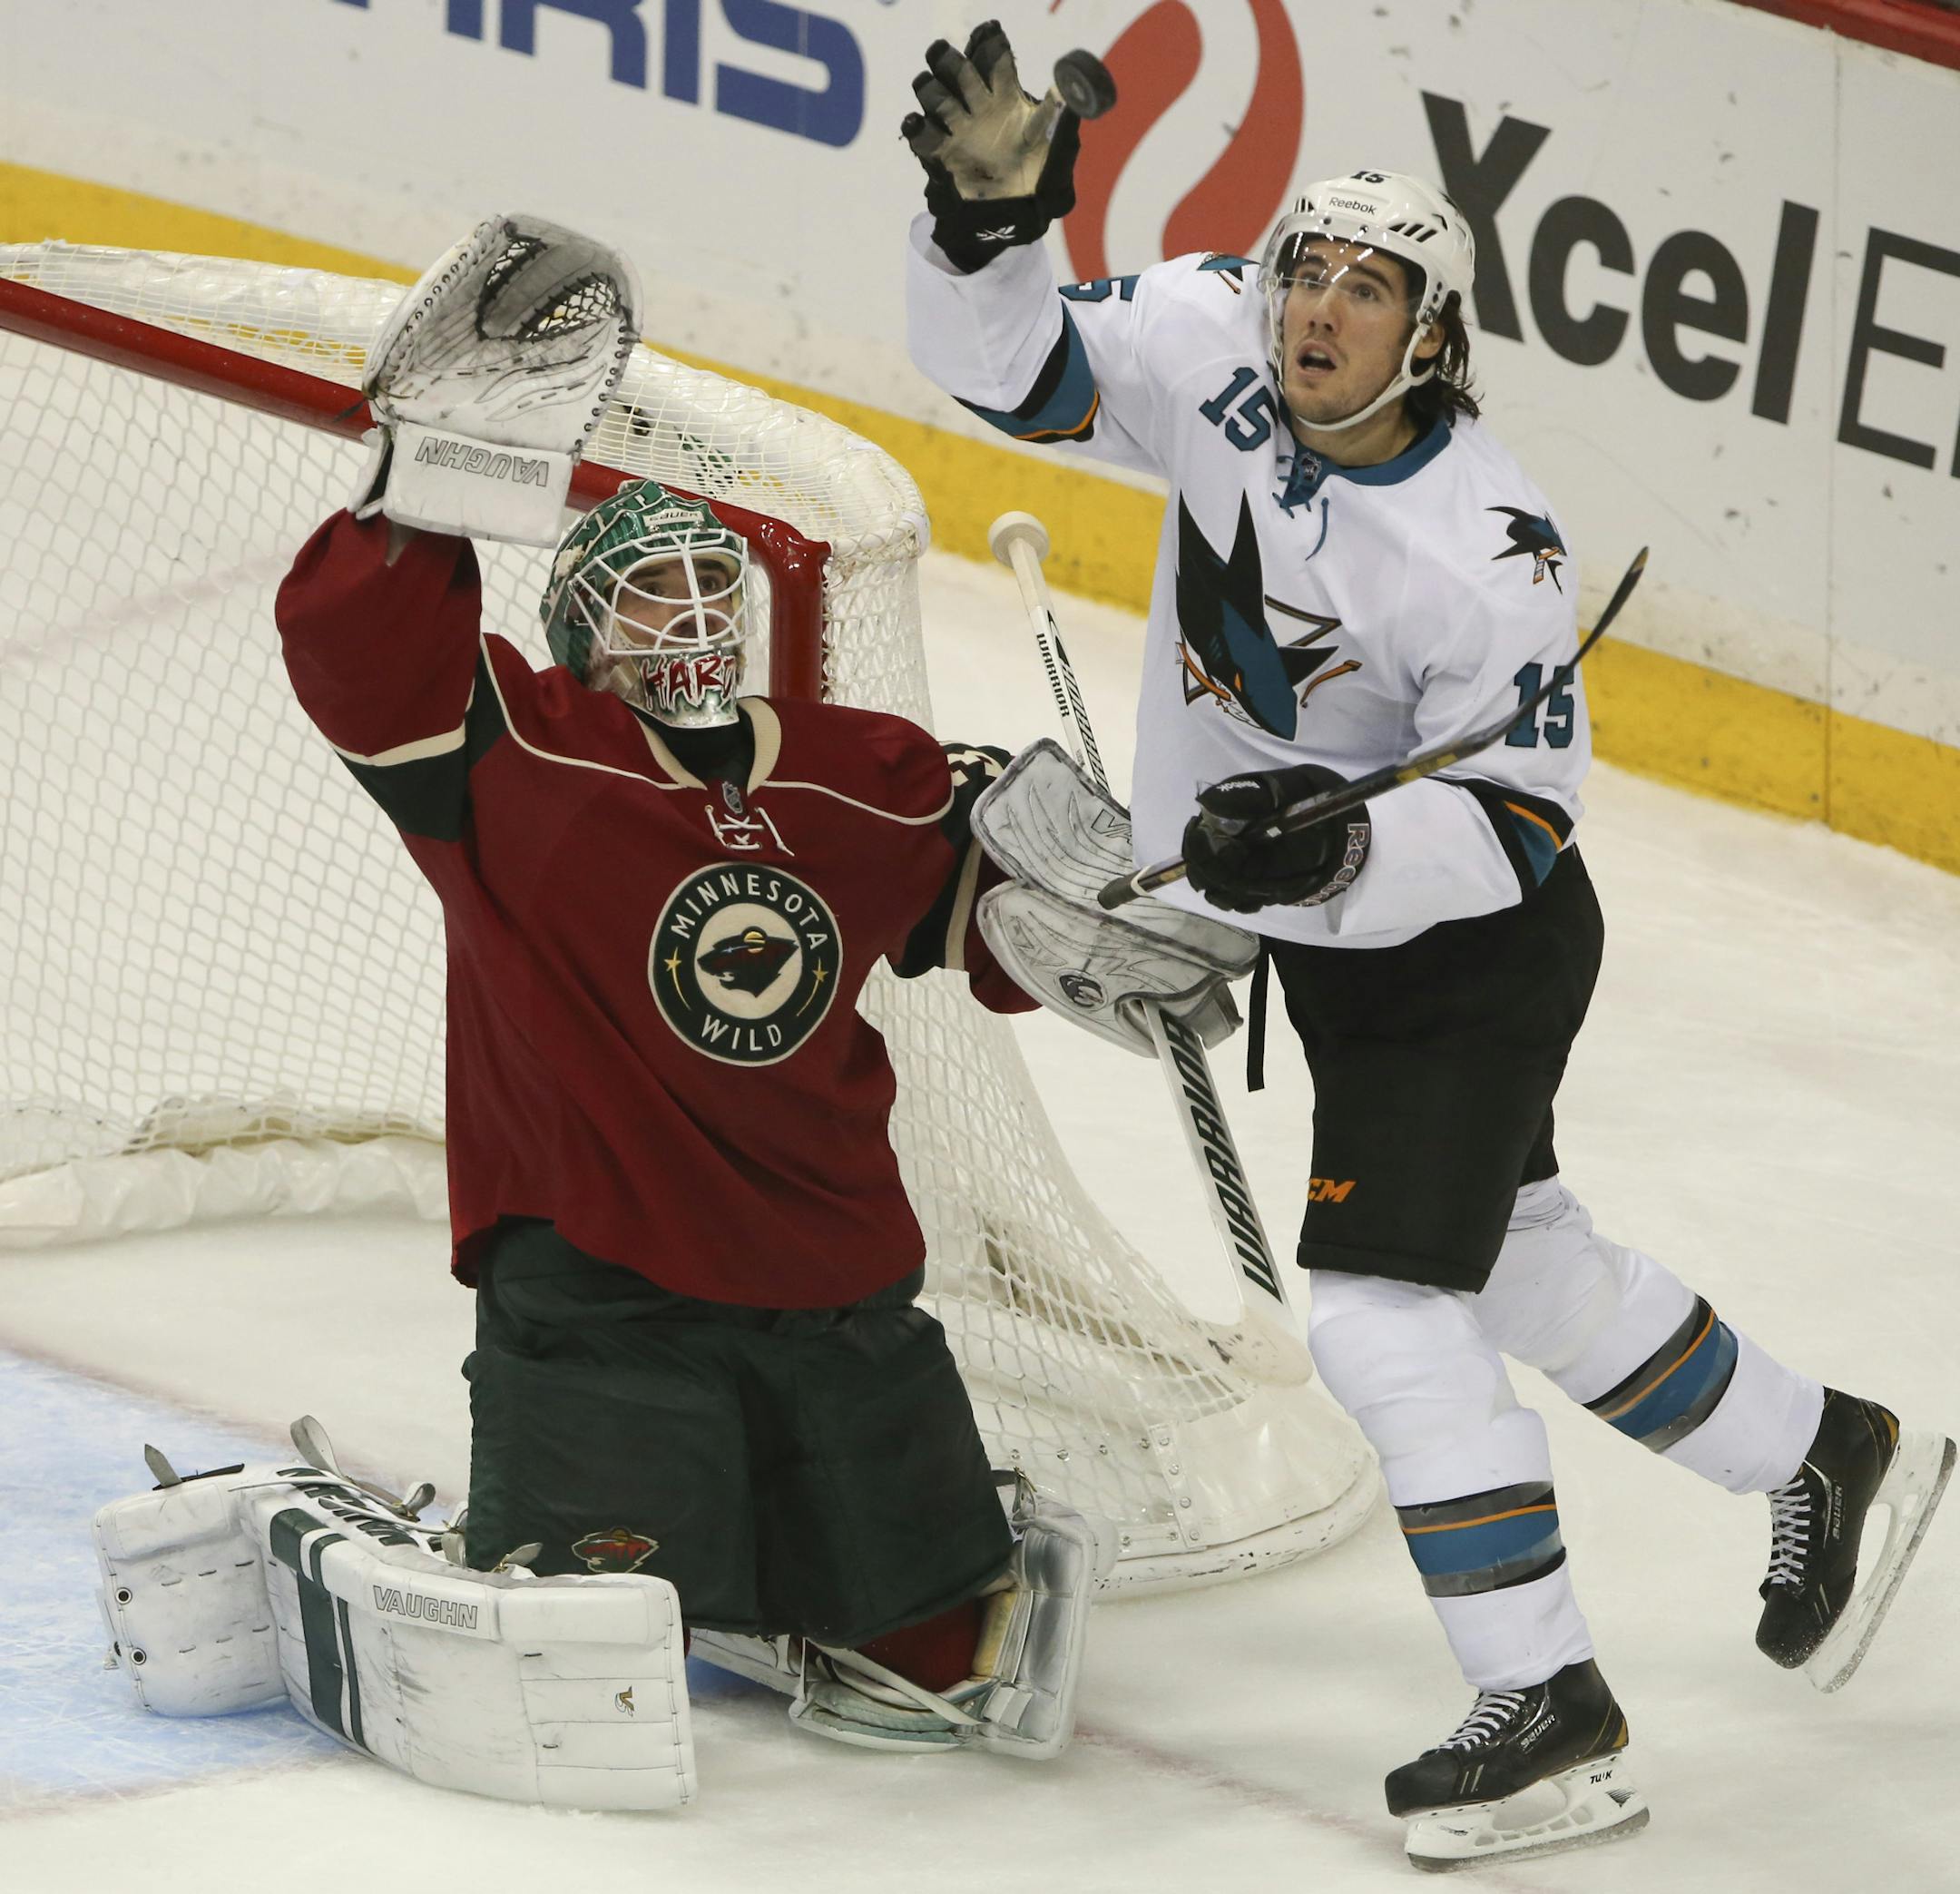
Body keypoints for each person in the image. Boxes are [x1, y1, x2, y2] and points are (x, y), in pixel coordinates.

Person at [900, 25, 1955, 1870]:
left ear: (1432, 337)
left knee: (1386, 1319)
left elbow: (1520, 817)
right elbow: (1018, 372)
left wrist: (1342, 844)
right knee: (1523, 1265)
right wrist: (988, 231)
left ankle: (1550, 1709)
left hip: (1472, 953)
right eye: (1306, 267)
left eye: (1366, 286)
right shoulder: (1214, 336)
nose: (1316, 307)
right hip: (1339, 942)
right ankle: (1821, 1449)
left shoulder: (1487, 552)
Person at [94, 213, 1103, 1810]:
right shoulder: (514, 747)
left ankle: (819, 1564)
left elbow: (999, 932)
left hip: (834, 1274)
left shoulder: (861, 770)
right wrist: (429, 483)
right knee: (576, 1642)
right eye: (645, 595)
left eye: (710, 585)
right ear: (578, 627)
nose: (688, 617)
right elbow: (359, 647)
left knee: (940, 1656)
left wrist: (1128, 905)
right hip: (602, 1277)